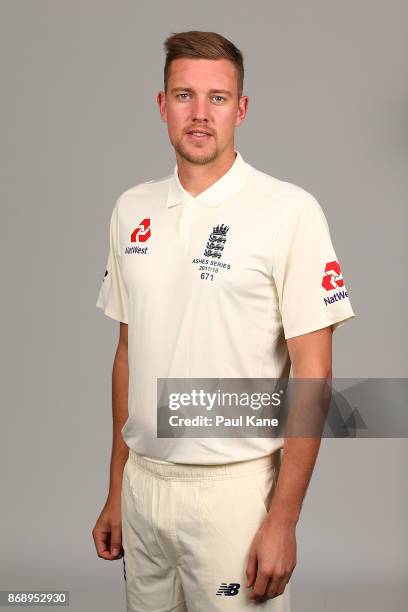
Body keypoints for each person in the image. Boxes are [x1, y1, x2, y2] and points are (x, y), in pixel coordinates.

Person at [92, 30, 355, 611]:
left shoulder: (289, 212)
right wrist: (116, 490)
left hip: (233, 493)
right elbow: (127, 356)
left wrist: (283, 519)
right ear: (162, 105)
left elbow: (313, 375)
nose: (200, 113)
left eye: (217, 97)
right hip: (142, 490)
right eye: (184, 95)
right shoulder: (131, 210)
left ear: (241, 108)